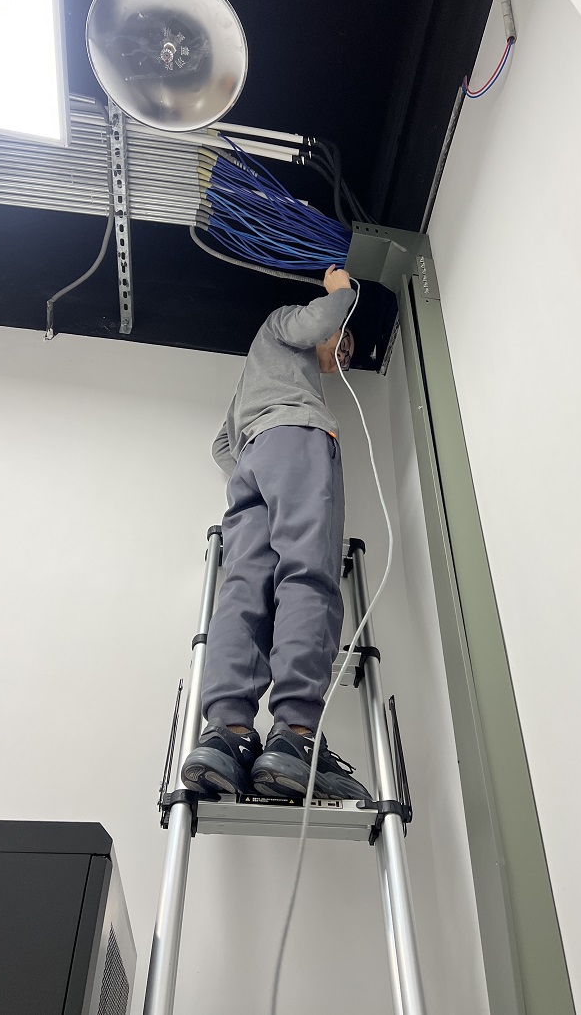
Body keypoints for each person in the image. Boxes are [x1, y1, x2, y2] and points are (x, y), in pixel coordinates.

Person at [181, 264, 370, 801]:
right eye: (343, 344)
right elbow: (316, 322)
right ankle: (296, 735)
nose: (342, 356)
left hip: (253, 460)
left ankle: (228, 733)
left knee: (244, 588)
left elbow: (222, 445)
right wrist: (342, 291)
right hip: (297, 441)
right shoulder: (283, 324)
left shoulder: (251, 385)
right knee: (307, 574)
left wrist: (257, 467)